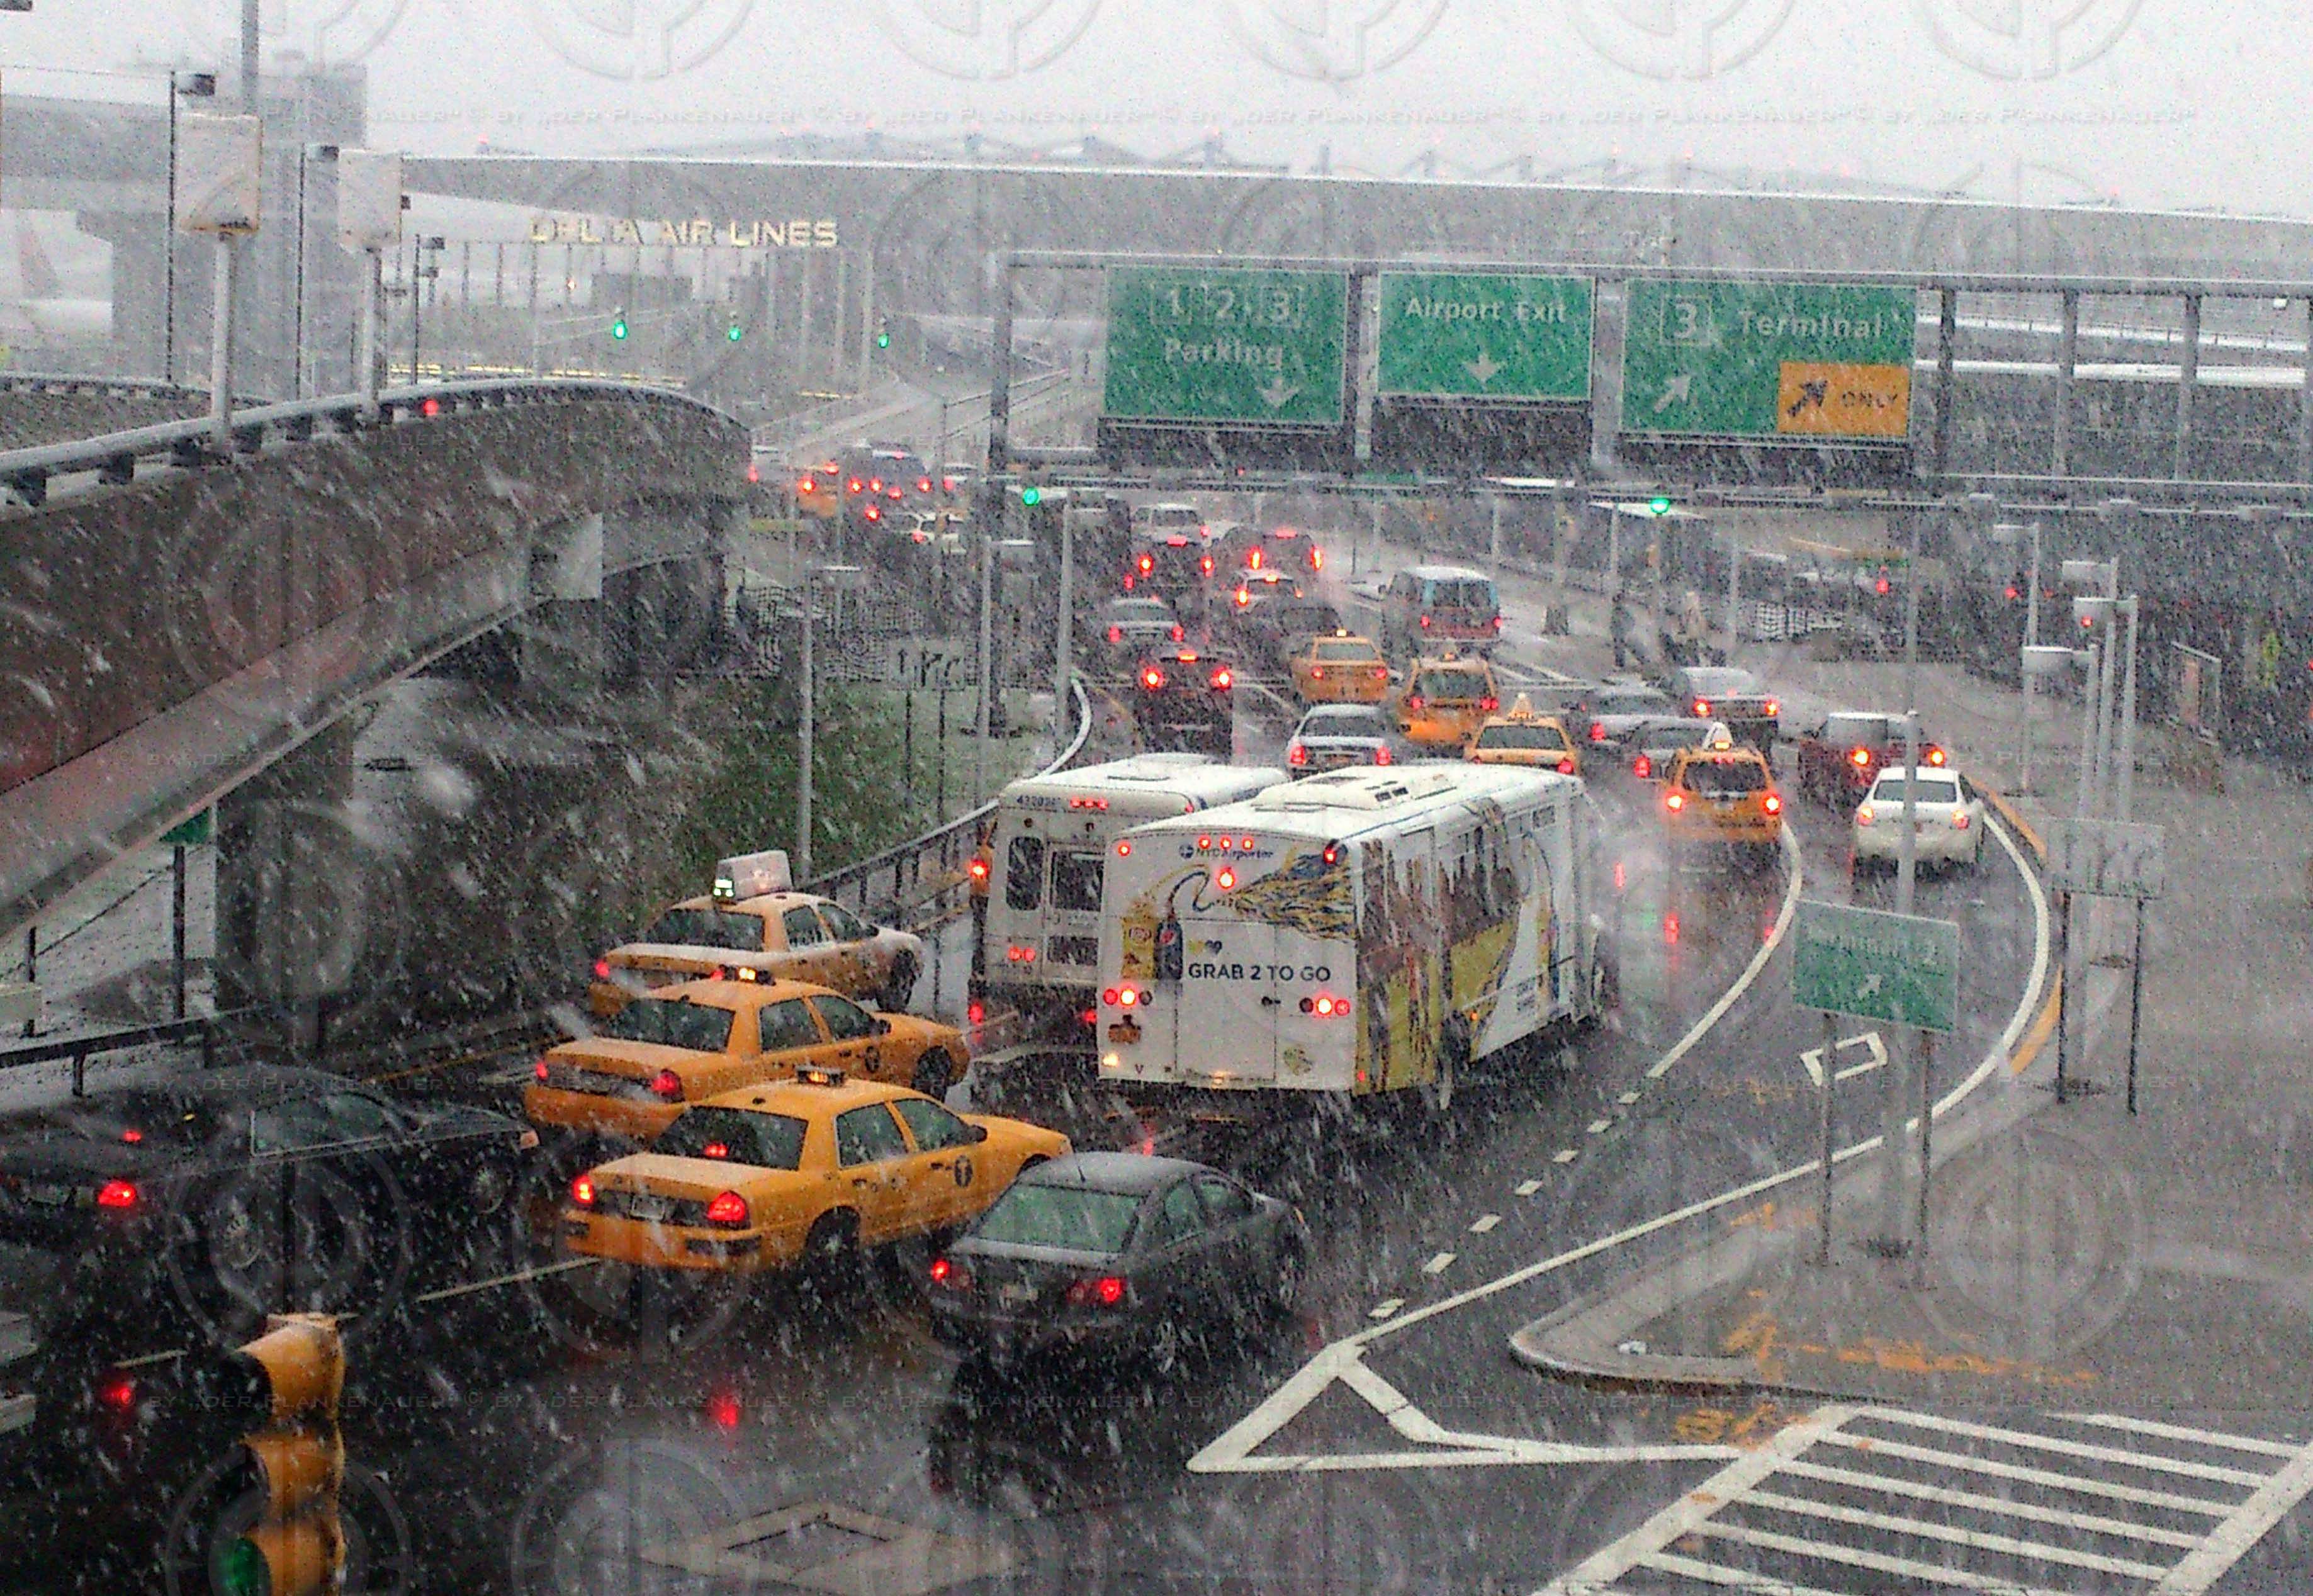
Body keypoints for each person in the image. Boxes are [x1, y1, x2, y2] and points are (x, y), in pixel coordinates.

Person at [1610, 593, 1633, 669]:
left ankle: (1620, 664)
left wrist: (1625, 629)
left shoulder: (1621, 611)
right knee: (1618, 648)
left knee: (1620, 648)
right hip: (1617, 633)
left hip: (1620, 633)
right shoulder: (1616, 610)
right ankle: (1618, 663)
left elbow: (1630, 621)